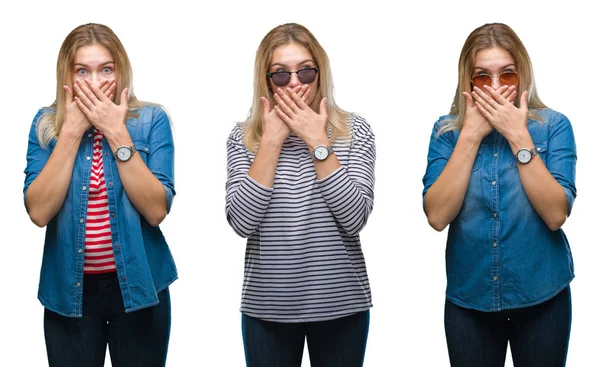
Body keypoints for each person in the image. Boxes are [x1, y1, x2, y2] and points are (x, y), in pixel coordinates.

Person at [422, 23, 576, 367]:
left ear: (521, 76)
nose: (495, 87)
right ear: (468, 80)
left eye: (506, 75)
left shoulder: (553, 126)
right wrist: (470, 136)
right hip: (469, 299)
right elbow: (436, 216)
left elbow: (556, 214)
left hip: (542, 294)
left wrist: (518, 137)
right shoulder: (447, 132)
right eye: (482, 76)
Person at [23, 23, 176, 367]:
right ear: (67, 75)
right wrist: (73, 131)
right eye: (83, 71)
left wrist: (115, 132)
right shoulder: (45, 125)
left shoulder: (151, 120)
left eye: (106, 69)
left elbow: (156, 210)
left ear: (121, 71)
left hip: (140, 288)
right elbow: (38, 212)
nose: (95, 82)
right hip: (70, 292)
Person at [225, 23, 375, 367]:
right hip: (267, 309)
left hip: (342, 305)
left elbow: (354, 219)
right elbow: (242, 222)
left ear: (320, 74)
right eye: (281, 75)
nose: (295, 83)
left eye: (305, 71)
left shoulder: (355, 131)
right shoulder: (243, 138)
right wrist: (272, 142)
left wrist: (318, 142)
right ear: (265, 80)